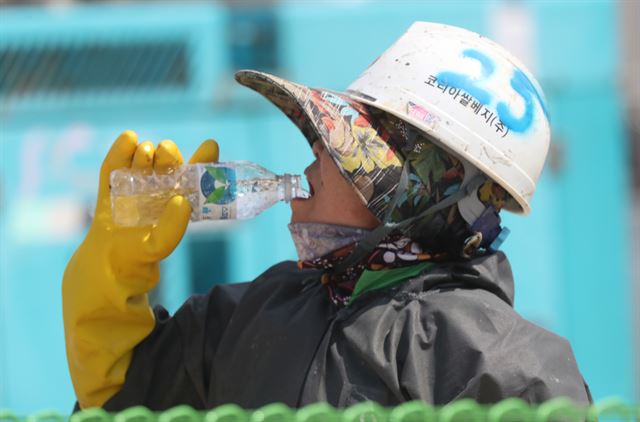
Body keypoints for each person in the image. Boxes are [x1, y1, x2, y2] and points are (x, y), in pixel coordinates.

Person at [62, 22, 591, 410]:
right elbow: (123, 394)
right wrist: (115, 273)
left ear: (414, 195)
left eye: (339, 152)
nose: (311, 163)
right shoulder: (255, 312)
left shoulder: (500, 361)